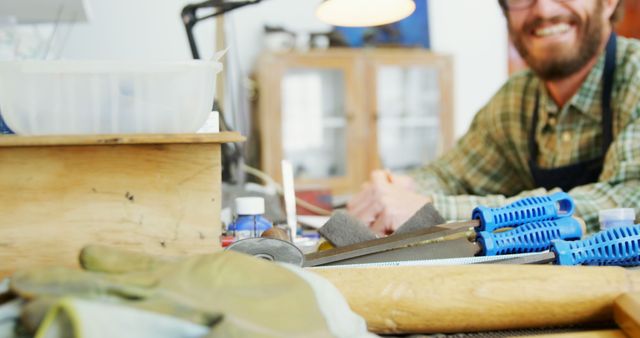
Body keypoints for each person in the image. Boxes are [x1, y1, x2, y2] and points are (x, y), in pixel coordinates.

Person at [348, 0, 639, 235]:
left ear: (610, 2)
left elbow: (627, 199)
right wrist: (401, 187)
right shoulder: (517, 98)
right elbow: (451, 175)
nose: (544, 9)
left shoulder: (634, 77)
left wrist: (431, 208)